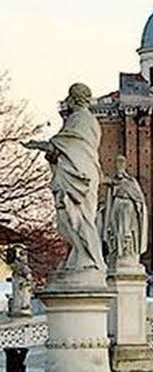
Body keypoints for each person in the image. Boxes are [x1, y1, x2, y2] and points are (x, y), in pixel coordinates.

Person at [23, 83, 105, 273]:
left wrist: (41, 145)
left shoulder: (81, 118)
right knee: (69, 218)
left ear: (74, 98)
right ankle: (80, 254)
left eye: (69, 96)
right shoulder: (85, 119)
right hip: (76, 170)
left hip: (78, 174)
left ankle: (91, 259)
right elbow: (66, 147)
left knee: (79, 216)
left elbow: (70, 145)